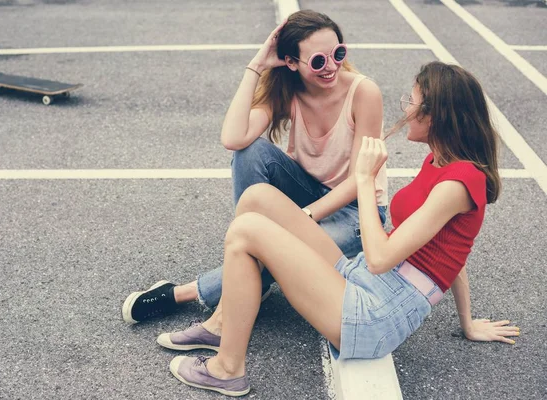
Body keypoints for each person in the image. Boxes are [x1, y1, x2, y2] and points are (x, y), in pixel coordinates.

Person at [161, 61, 520, 397]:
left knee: (247, 232)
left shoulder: (457, 183)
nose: (405, 110)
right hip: (364, 279)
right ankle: (225, 319)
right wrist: (467, 322)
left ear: (435, 115)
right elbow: (453, 249)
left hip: (376, 313)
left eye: (410, 102)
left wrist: (364, 179)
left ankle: (227, 369)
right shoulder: (440, 161)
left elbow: (380, 259)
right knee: (258, 199)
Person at [121, 10, 389, 330]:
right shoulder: (288, 90)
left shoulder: (363, 92)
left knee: (285, 247)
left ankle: (183, 293)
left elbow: (361, 180)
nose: (332, 66)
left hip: (357, 212)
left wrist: (302, 219)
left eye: (339, 53)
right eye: (318, 61)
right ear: (292, 63)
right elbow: (233, 138)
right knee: (249, 152)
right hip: (306, 190)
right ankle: (252, 265)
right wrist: (256, 66)